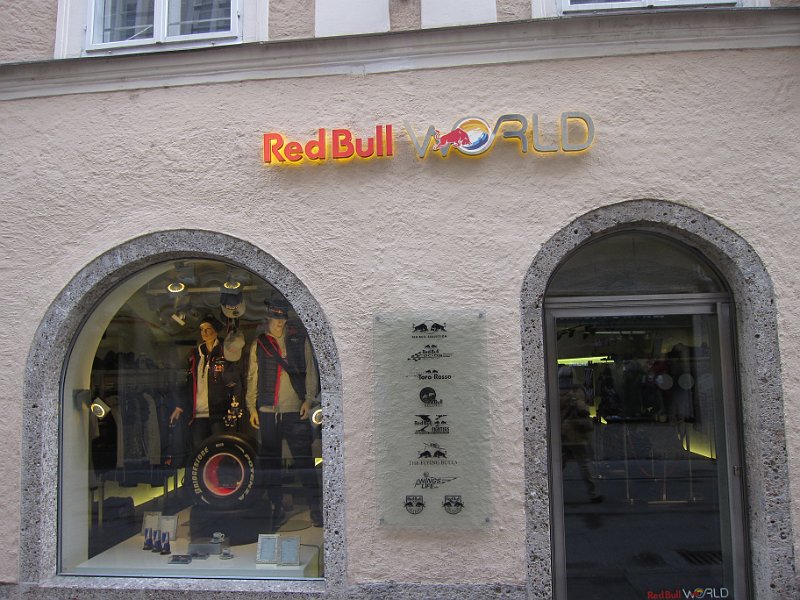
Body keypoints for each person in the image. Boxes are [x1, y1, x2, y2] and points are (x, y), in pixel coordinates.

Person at [246, 299, 322, 528]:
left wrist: (308, 399)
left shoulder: (298, 339)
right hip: (268, 409)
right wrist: (251, 406)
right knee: (271, 463)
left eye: (282, 318)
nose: (279, 323)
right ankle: (276, 506)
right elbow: (253, 375)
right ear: (269, 319)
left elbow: (310, 370)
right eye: (276, 318)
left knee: (304, 460)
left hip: (294, 409)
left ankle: (315, 506)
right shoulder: (260, 343)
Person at [170, 315, 239, 453]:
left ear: (216, 330)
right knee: (199, 450)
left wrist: (234, 406)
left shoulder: (225, 352)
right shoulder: (195, 354)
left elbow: (234, 381)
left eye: (208, 329)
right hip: (198, 413)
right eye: (202, 329)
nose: (205, 332)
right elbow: (187, 382)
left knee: (221, 449)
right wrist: (180, 405)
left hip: (219, 412)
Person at [559, 366, 602, 503]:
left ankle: (549, 489)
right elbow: (583, 408)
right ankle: (593, 492)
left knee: (558, 463)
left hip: (560, 432)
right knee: (583, 462)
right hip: (575, 432)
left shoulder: (555, 391)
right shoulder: (576, 391)